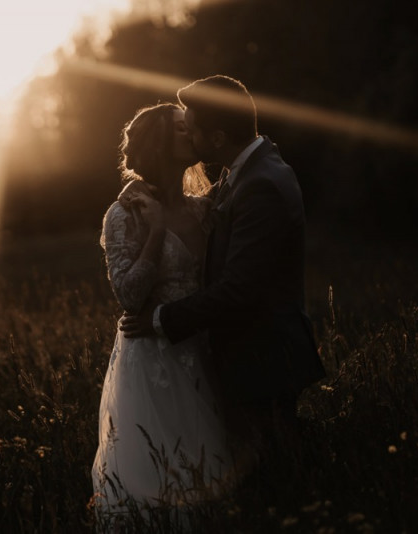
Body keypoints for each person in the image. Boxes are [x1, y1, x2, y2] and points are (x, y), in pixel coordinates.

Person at [119, 75, 326, 482]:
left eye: (192, 130)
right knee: (260, 468)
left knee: (277, 474)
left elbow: (240, 289)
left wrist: (159, 320)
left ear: (215, 138)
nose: (188, 139)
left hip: (263, 356)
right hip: (246, 355)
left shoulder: (260, 183)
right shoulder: (248, 171)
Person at [91, 103, 234, 530]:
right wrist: (155, 232)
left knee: (212, 471)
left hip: (204, 351)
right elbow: (130, 297)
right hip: (153, 363)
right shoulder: (125, 214)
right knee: (161, 479)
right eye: (179, 128)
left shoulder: (204, 209)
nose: (192, 132)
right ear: (159, 143)